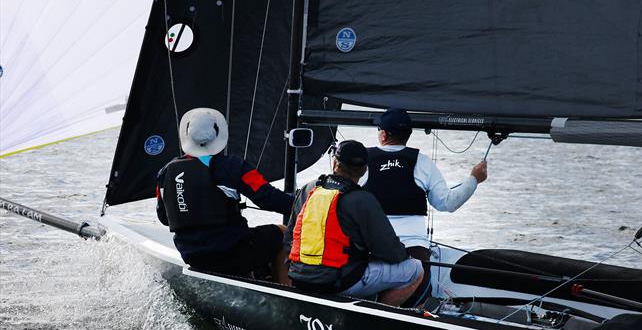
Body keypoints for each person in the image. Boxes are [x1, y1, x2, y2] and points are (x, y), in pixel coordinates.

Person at [362, 108, 488, 305]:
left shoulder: (363, 161)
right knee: (417, 301)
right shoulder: (422, 162)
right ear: (409, 135)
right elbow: (447, 203)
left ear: (383, 134)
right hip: (415, 252)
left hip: (371, 248)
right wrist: (474, 179)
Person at [156, 108, 292, 283]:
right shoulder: (233, 166)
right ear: (218, 134)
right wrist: (303, 201)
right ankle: (287, 292)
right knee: (282, 233)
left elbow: (164, 218)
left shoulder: (165, 173)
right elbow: (269, 198)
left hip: (193, 257)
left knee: (247, 238)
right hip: (231, 253)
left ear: (187, 135)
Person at [285, 140, 424, 306]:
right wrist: (404, 254)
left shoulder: (308, 189)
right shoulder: (363, 200)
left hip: (298, 277)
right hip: (336, 283)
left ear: (335, 163)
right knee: (415, 269)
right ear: (364, 170)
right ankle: (376, 320)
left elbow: (290, 237)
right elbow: (391, 252)